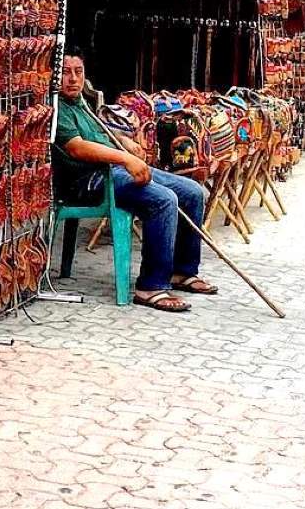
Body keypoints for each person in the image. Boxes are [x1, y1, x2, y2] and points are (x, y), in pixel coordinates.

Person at [53, 52, 215, 313]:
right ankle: (150, 286)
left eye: (78, 71)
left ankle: (181, 271)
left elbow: (97, 133)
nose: (73, 78)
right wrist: (126, 159)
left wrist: (124, 141)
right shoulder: (56, 107)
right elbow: (77, 148)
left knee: (192, 192)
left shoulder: (81, 103)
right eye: (65, 71)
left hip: (112, 169)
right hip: (90, 180)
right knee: (163, 200)